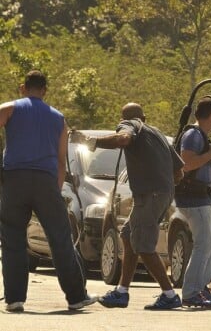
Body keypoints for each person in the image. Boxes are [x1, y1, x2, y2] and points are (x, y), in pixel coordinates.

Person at [0, 70, 97, 312]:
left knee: (13, 237)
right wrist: (53, 191)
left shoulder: (9, 108)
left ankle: (15, 299)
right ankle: (76, 296)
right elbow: (62, 161)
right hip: (45, 180)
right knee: (60, 238)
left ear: (23, 87)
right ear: (44, 90)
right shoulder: (59, 118)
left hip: (14, 179)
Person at [71, 103, 184, 310]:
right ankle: (122, 292)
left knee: (143, 246)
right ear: (145, 117)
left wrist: (90, 141)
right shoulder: (158, 134)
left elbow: (123, 139)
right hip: (162, 194)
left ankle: (169, 295)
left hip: (150, 194)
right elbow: (179, 172)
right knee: (127, 236)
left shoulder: (130, 124)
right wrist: (162, 185)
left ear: (123, 119)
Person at [174, 96, 211, 308]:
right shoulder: (193, 135)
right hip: (192, 197)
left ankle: (201, 288)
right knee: (204, 242)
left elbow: (200, 164)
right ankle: (191, 292)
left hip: (200, 196)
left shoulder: (200, 136)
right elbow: (187, 164)